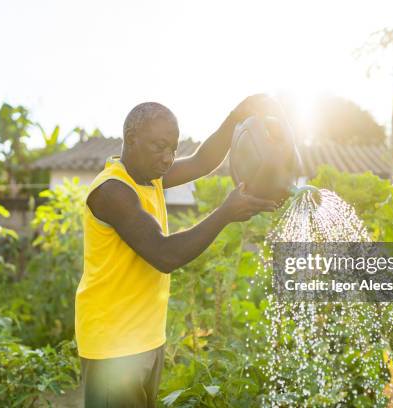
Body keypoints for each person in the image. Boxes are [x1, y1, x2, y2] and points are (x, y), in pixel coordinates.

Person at [75, 95, 280, 407]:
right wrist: (225, 213)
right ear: (132, 140)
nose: (168, 157)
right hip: (112, 346)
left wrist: (236, 115)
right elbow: (164, 255)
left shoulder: (150, 176)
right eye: (160, 146)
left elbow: (202, 161)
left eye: (173, 148)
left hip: (145, 339)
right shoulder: (112, 191)